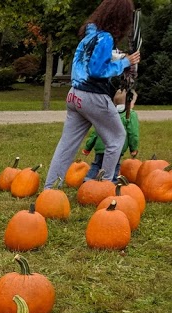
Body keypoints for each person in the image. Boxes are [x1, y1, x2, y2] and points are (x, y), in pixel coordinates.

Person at [43, 0, 141, 188]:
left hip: (74, 95)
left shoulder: (89, 35)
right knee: (116, 138)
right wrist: (125, 63)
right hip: (93, 97)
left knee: (67, 145)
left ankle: (50, 188)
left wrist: (119, 57)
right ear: (120, 18)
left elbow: (91, 61)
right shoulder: (106, 38)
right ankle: (105, 185)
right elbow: (97, 70)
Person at [82, 89, 139, 180]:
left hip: (101, 145)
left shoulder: (107, 112)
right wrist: (133, 148)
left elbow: (96, 131)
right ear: (129, 102)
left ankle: (88, 180)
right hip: (116, 147)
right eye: (133, 102)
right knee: (114, 165)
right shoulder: (130, 115)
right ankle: (112, 182)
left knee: (97, 164)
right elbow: (133, 133)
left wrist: (88, 147)